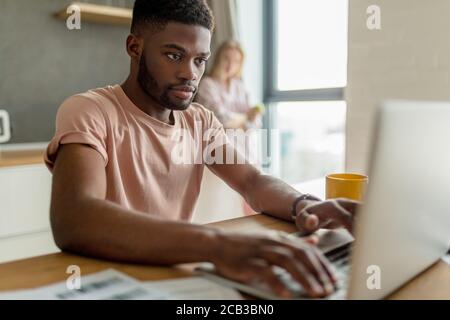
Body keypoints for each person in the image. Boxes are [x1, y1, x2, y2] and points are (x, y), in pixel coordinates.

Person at [45, 0, 359, 299]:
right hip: (108, 278)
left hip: (173, 274)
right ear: (134, 47)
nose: (190, 74)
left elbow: (251, 181)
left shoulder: (199, 120)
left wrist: (302, 204)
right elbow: (75, 217)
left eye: (200, 60)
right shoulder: (89, 110)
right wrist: (218, 245)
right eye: (173, 55)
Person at [196, 40, 262, 130]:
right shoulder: (207, 84)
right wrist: (246, 117)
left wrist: (241, 120)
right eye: (226, 58)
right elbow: (221, 119)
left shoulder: (239, 86)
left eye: (236, 61)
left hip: (242, 142)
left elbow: (256, 123)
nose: (230, 65)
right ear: (218, 59)